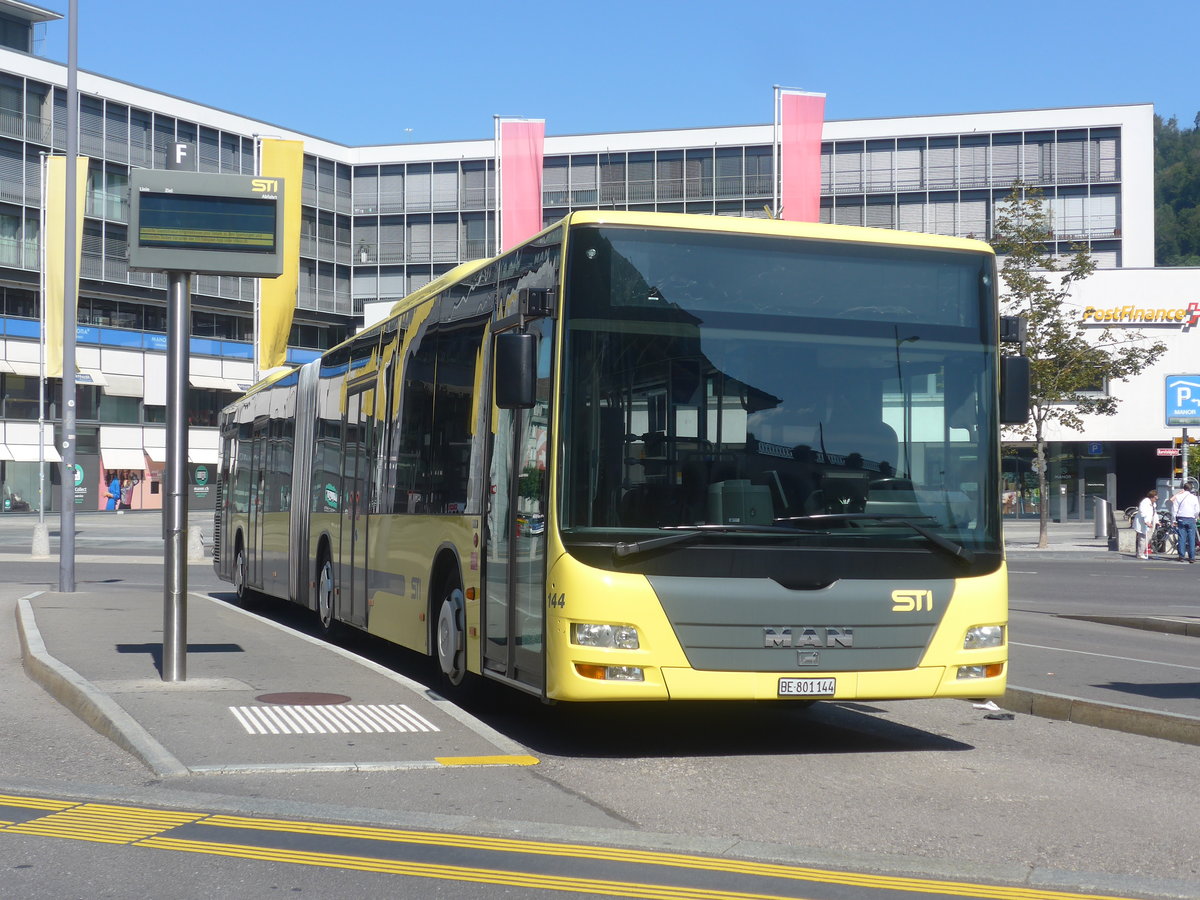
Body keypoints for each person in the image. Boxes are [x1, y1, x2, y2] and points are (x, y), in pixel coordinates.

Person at [1171, 484, 1200, 563]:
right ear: (1191, 489)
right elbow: (1197, 510)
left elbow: (1174, 509)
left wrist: (1173, 519)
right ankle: (1192, 557)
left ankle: (1181, 556)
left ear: (1183, 488)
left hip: (1181, 518)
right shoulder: (1194, 498)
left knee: (1181, 537)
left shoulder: (1179, 497)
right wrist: (1195, 516)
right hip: (1191, 518)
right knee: (1191, 538)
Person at [1134, 488, 1158, 559]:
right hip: (1143, 522)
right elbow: (1143, 512)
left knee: (1148, 538)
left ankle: (1141, 552)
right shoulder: (1145, 502)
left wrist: (1157, 521)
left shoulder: (1153, 504)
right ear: (1152, 497)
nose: (1156, 499)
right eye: (1155, 497)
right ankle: (1140, 554)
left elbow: (1154, 513)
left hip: (1150, 522)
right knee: (1143, 538)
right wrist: (1146, 521)